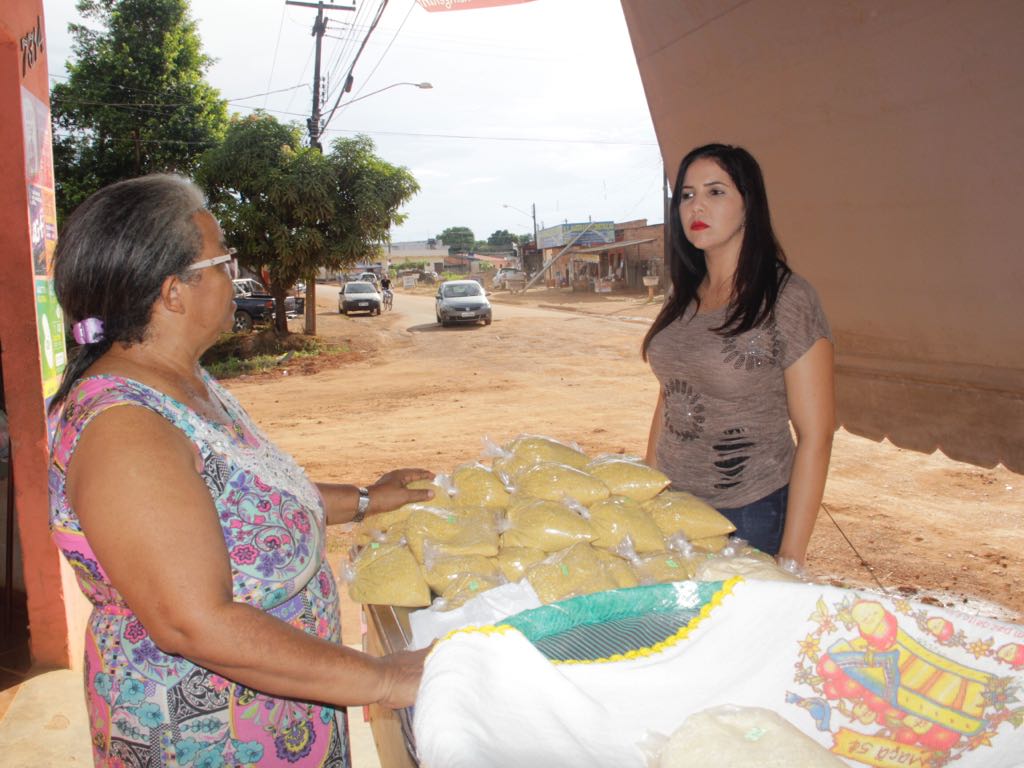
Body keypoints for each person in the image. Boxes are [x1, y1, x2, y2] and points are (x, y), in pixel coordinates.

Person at [48, 174, 434, 767]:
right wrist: (384, 679)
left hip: (275, 712)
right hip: (206, 734)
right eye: (224, 259)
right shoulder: (125, 429)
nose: (238, 273)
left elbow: (252, 500)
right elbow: (194, 624)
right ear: (174, 292)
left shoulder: (187, 382)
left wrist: (368, 499)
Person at [642, 144, 834, 564]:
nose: (697, 206)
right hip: (673, 503)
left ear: (750, 206)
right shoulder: (684, 295)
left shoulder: (787, 299)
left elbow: (817, 434)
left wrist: (791, 556)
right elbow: (671, 394)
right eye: (687, 195)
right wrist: (648, 485)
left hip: (748, 512)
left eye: (716, 192)